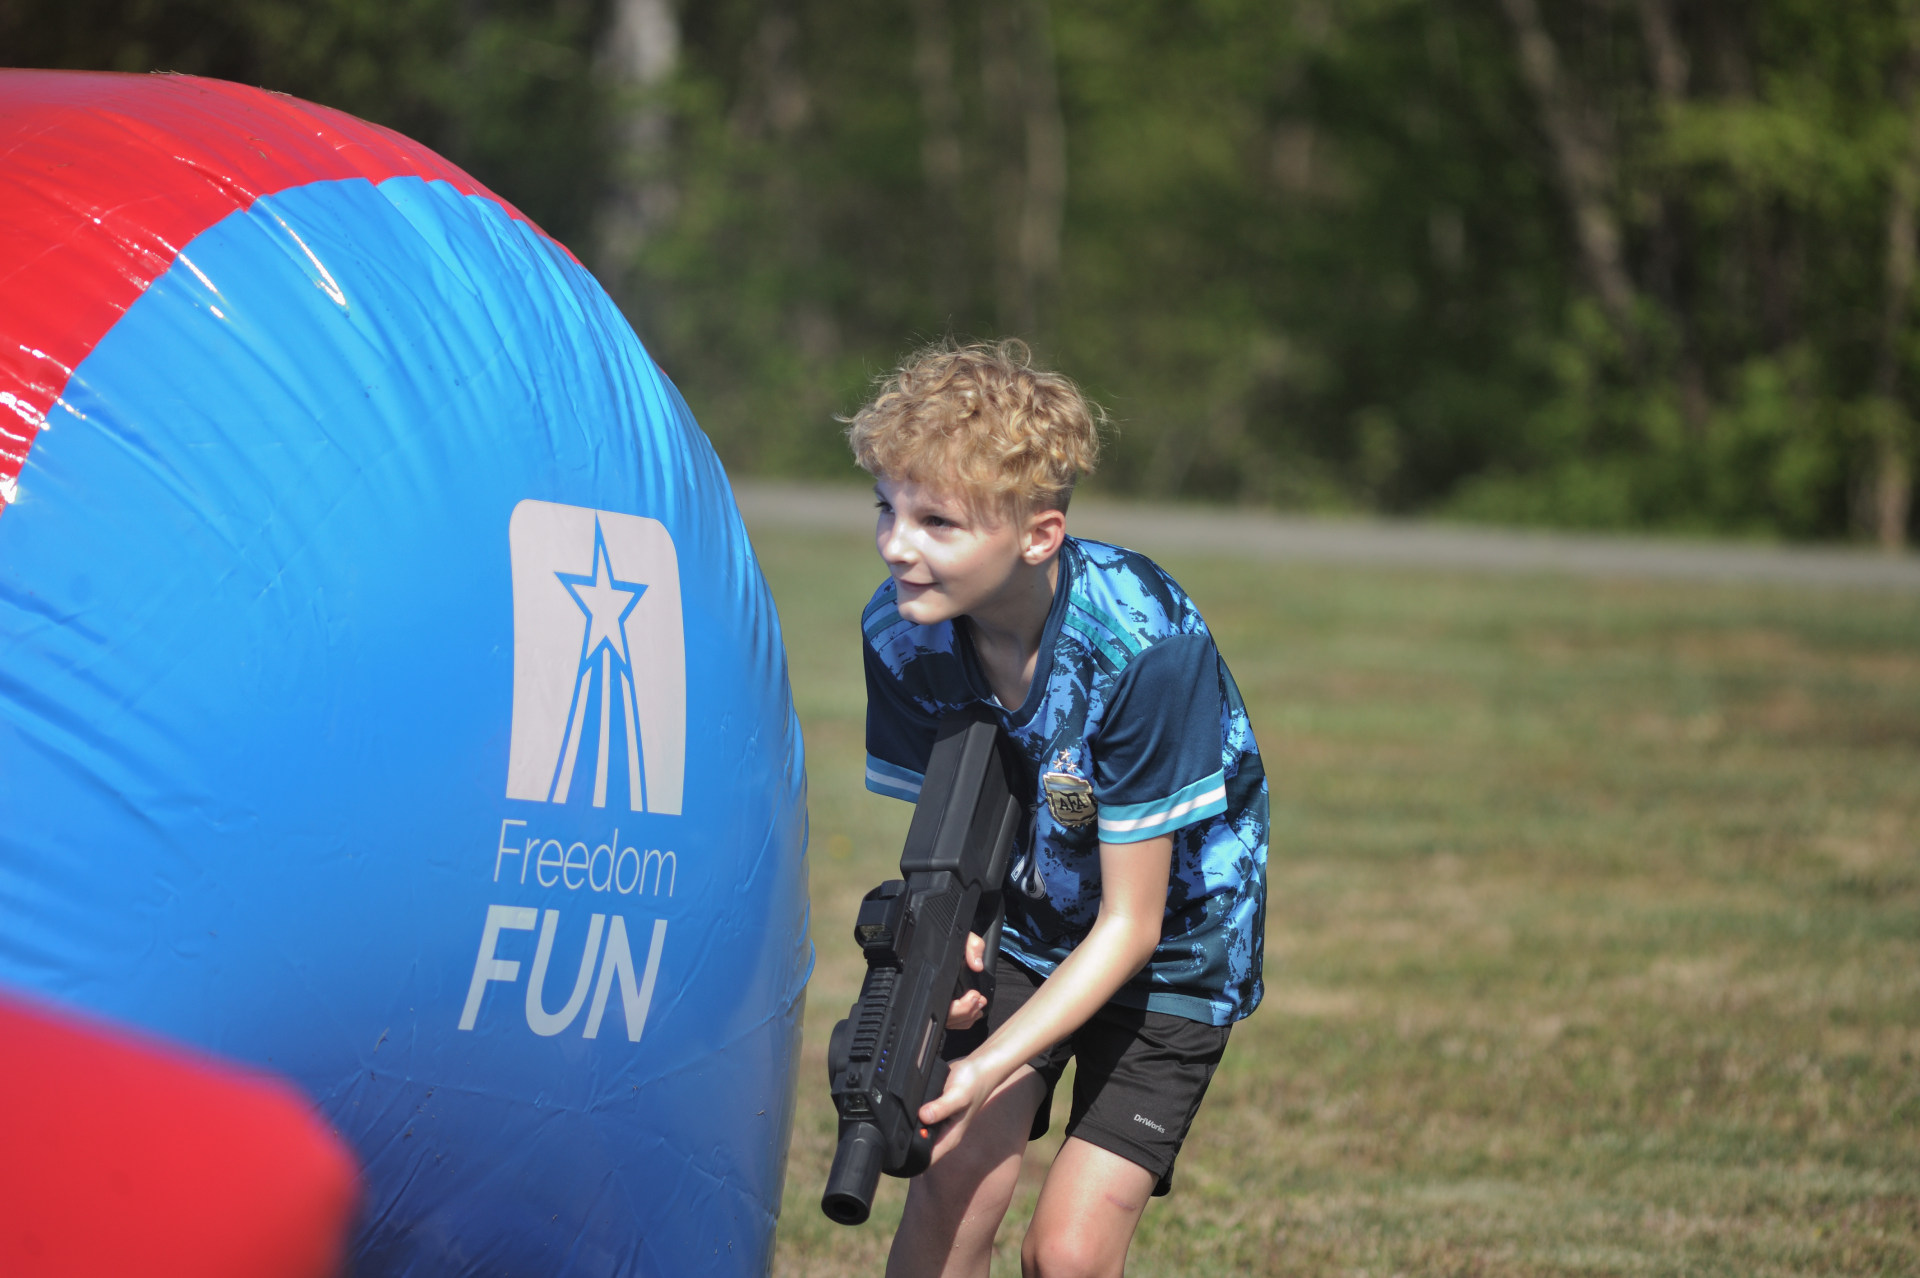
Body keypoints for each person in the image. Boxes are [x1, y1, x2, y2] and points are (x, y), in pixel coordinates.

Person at [847, 339, 1268, 1278]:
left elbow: (1132, 924)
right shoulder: (902, 635)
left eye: (937, 521)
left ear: (1038, 536)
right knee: (952, 1182)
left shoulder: (1141, 642)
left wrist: (986, 1065)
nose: (896, 546)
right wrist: (951, 947)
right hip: (1027, 926)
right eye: (887, 507)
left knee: (1069, 1253)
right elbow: (954, 837)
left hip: (1173, 948)